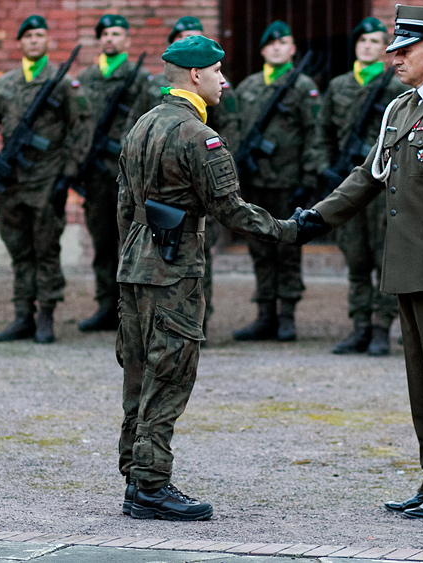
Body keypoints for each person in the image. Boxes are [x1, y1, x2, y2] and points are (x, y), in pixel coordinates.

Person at [298, 4, 423, 520]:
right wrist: (317, 219)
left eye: (404, 51)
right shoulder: (404, 107)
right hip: (410, 263)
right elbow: (370, 174)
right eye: (393, 50)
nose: (394, 59)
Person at [116, 35, 300, 521]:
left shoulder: (142, 126)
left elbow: (123, 203)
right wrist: (286, 229)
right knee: (170, 371)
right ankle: (152, 485)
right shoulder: (200, 136)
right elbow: (230, 210)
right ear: (195, 75)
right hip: (174, 268)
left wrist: (132, 253)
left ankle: (136, 476)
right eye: (218, 71)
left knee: (138, 369)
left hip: (136, 263)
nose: (224, 80)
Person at [0, 15, 92, 344]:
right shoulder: (5, 84)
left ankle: (46, 316)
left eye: (41, 35)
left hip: (46, 179)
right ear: (20, 43)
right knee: (19, 250)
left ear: (47, 41)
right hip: (11, 182)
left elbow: (81, 130)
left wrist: (66, 175)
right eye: (29, 36)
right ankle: (22, 314)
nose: (35, 41)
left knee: (46, 249)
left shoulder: (62, 82)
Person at [317, 16, 408, 356]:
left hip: (385, 186)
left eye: (375, 41)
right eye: (363, 41)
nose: (368, 46)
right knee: (356, 259)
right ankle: (360, 326)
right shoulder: (338, 86)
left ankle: (382, 328)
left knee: (385, 257)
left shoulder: (396, 87)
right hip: (349, 185)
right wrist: (324, 168)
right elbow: (322, 132)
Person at [233, 20, 321, 342]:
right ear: (262, 50)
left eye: (283, 42)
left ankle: (287, 317)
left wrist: (309, 176)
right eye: (271, 43)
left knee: (287, 249)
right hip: (255, 182)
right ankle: (265, 314)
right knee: (259, 249)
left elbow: (315, 132)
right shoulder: (247, 87)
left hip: (288, 180)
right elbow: (237, 130)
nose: (277, 47)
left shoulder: (302, 86)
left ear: (293, 49)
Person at [153, 16, 241, 337]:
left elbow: (230, 128)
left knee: (199, 250)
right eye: (184, 37)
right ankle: (166, 321)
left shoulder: (216, 86)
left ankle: (199, 320)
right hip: (165, 183)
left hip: (203, 176)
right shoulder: (157, 86)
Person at [74, 14, 155, 333]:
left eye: (117, 33)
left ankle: (133, 309)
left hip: (127, 176)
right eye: (105, 33)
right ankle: (107, 306)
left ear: (127, 40)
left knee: (132, 241)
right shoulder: (86, 78)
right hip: (94, 174)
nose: (110, 38)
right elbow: (77, 124)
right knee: (102, 241)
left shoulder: (139, 79)